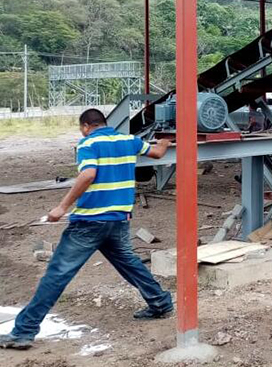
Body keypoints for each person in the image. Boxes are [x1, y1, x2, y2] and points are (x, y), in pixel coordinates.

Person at [0, 109, 173, 351]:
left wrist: (61, 207)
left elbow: (88, 174)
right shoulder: (128, 140)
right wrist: (164, 141)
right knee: (130, 264)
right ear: (105, 123)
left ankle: (23, 332)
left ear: (85, 126)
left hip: (89, 223)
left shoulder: (87, 143)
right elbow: (156, 152)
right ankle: (161, 304)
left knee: (57, 274)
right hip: (118, 220)